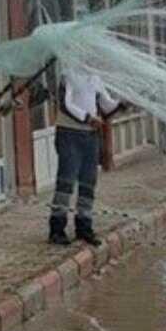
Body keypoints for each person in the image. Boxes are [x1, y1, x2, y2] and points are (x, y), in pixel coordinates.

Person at [49, 66, 126, 246]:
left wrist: (121, 104)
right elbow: (65, 104)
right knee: (66, 181)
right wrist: (87, 118)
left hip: (91, 136)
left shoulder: (95, 77)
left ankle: (84, 227)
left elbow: (106, 106)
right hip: (69, 134)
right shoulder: (68, 74)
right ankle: (57, 228)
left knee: (88, 182)